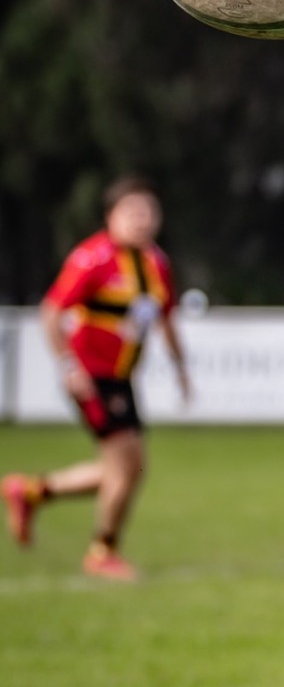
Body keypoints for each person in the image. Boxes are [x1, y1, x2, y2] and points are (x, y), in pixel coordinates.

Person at [5, 177, 192, 580]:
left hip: (122, 379)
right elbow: (52, 311)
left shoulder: (156, 264)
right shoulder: (93, 258)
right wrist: (68, 367)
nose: (142, 220)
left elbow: (166, 320)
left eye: (149, 212)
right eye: (133, 212)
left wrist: (181, 369)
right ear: (112, 217)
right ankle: (102, 551)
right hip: (92, 377)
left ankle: (32, 491)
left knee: (127, 471)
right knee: (125, 467)